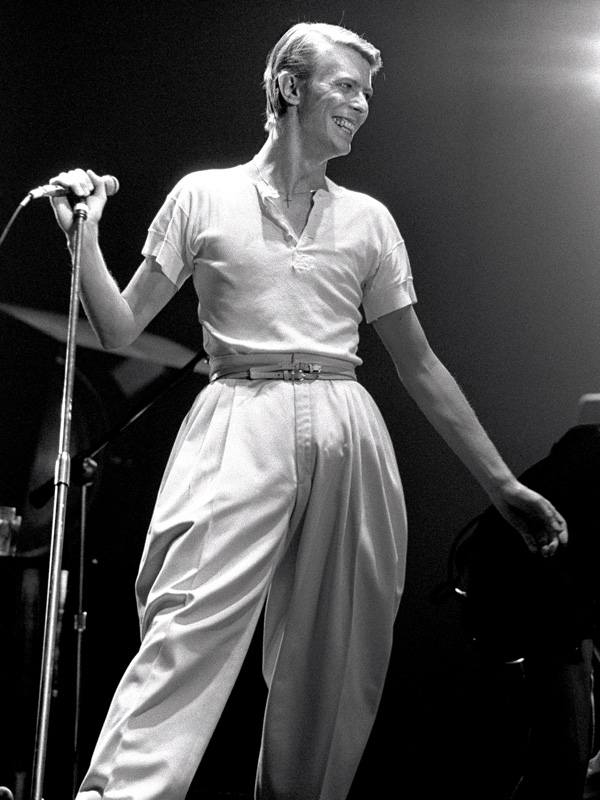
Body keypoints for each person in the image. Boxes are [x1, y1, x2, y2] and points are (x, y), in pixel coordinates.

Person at [48, 22, 567, 800]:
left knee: (336, 654)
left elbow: (419, 364)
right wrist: (80, 233)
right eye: (346, 87)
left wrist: (501, 487)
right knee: (187, 620)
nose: (361, 105)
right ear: (290, 89)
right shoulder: (203, 195)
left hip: (344, 420)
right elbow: (119, 328)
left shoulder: (370, 220)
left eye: (366, 92)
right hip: (238, 414)